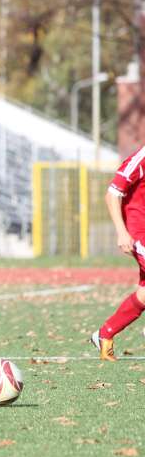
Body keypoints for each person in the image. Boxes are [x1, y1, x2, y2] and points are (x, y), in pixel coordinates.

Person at [91, 146, 145, 360]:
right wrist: (122, 233)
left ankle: (105, 334)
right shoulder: (141, 158)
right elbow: (112, 193)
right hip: (138, 231)